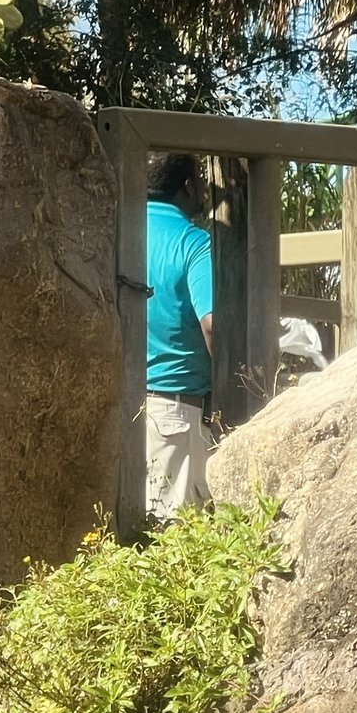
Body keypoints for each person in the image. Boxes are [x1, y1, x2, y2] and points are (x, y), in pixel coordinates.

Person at [143, 152, 215, 519]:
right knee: (178, 541)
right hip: (176, 410)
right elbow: (211, 323)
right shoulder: (193, 241)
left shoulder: (121, 230)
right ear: (189, 186)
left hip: (125, 409)